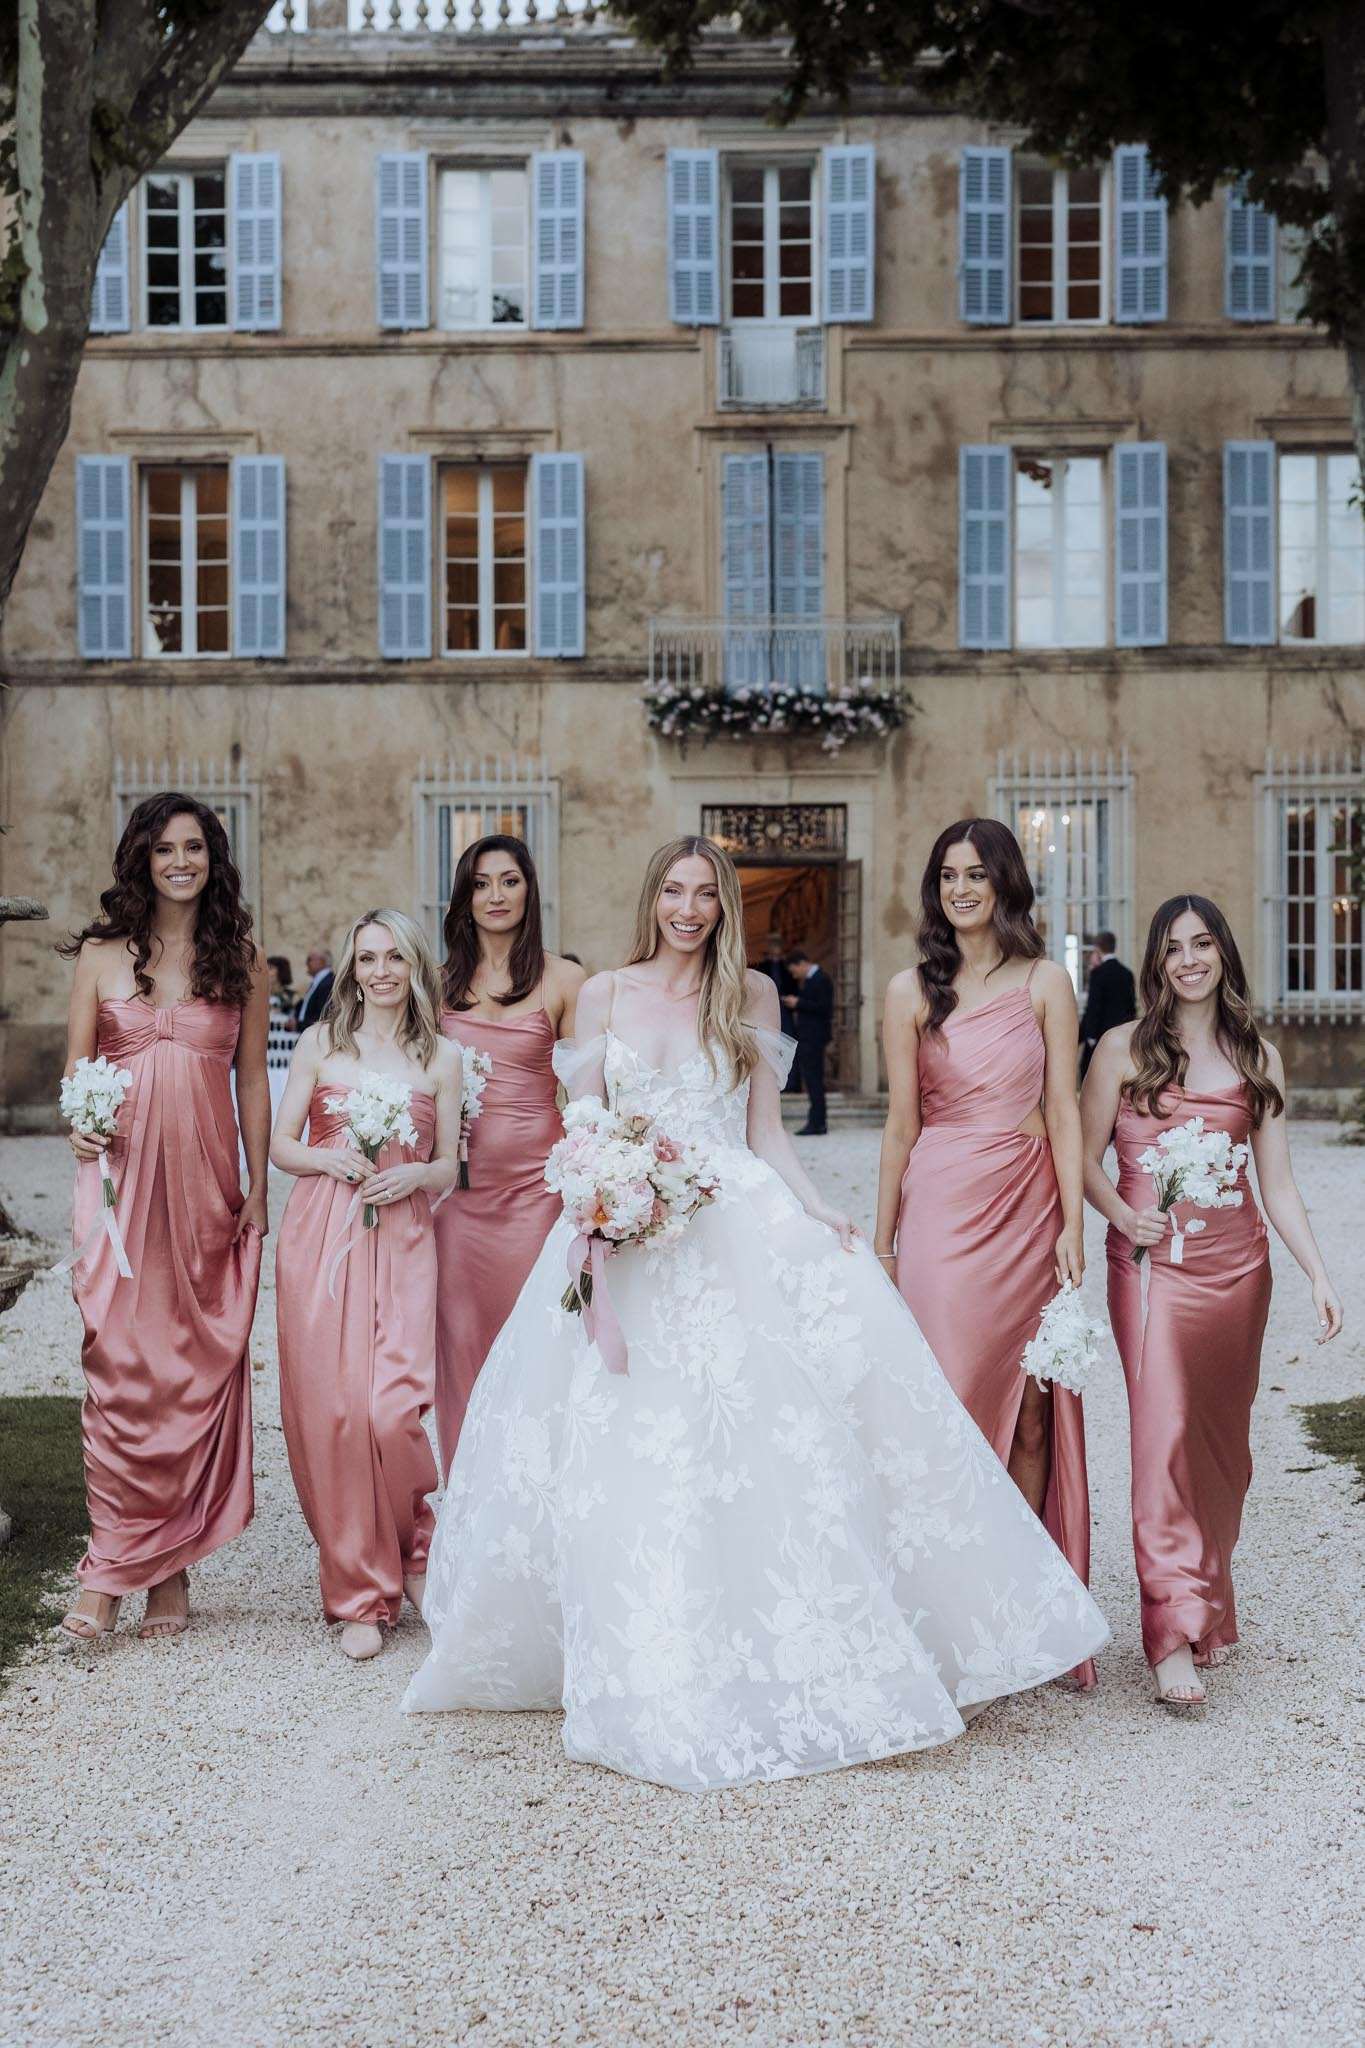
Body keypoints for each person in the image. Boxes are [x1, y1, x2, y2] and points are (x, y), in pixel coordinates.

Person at [403, 835, 1108, 1791]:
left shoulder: (753, 997)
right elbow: (586, 1128)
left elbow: (763, 1129)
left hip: (730, 1213)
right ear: (652, 898)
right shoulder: (602, 992)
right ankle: (642, 1640)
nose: (687, 910)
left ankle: (786, 1635)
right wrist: (600, 1196)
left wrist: (818, 1209)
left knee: (773, 1435)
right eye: (673, 893)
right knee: (632, 1440)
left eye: (704, 895)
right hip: (630, 1232)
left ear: (722, 905)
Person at [1081, 895, 1342, 1709]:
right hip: (1152, 1272)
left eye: (1201, 944)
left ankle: (1208, 1602)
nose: (1188, 959)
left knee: (1220, 1454)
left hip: (1238, 1275)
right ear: (1155, 963)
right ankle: (1169, 1635)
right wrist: (1125, 1215)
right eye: (1172, 948)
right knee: (1161, 1440)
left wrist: (1318, 1272)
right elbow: (1078, 1157)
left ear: (1222, 953)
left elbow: (1280, 1185)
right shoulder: (1122, 1048)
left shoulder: (1257, 1054)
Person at [874, 818, 1097, 1687]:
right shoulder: (907, 991)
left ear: (1005, 882)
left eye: (976, 874)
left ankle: (1023, 1609)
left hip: (1027, 1200)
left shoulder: (1046, 981)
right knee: (945, 1401)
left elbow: (1066, 1109)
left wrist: (1075, 1222)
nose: (961, 889)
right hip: (940, 1206)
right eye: (947, 875)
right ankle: (941, 1607)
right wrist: (886, 1241)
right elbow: (900, 1124)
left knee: (1034, 1407)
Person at [56, 793, 268, 1642]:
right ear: (140, 859)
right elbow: (77, 1073)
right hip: (120, 1188)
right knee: (120, 1368)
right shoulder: (103, 957)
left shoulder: (238, 958)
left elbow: (251, 1080)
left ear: (212, 859)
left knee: (187, 1369)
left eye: (195, 848)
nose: (181, 861)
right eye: (164, 849)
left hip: (208, 1184)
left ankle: (170, 1565)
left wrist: (256, 1187)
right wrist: (78, 1120)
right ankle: (111, 1567)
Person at [271, 910, 461, 1662]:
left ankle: (414, 1548)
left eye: (394, 958)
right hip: (324, 1236)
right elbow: (282, 1145)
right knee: (340, 1416)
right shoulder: (323, 1044)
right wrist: (328, 1160)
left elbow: (449, 1163)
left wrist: (417, 1172)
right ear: (350, 969)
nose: (380, 971)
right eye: (366, 958)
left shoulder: (442, 1056)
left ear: (416, 967)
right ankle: (360, 1593)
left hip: (407, 1235)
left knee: (392, 1412)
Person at [434, 836, 585, 1472]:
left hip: (537, 1194)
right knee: (462, 1344)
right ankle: (471, 1485)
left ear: (530, 892)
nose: (496, 895)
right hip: (459, 1198)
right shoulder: (437, 985)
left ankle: (539, 1481)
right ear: (465, 898)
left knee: (536, 1342)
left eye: (510, 881)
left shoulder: (566, 980)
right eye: (482, 883)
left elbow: (588, 1096)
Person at [783, 947, 834, 1134]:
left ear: (802, 964)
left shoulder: (822, 979)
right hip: (808, 1038)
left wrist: (798, 1003)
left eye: (794, 970)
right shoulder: (811, 980)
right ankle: (817, 1121)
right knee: (812, 1081)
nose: (794, 975)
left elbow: (824, 1008)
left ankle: (818, 1123)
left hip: (814, 1038)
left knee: (814, 1081)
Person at [1079, 930, 1136, 1078]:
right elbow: (1131, 1007)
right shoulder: (1127, 973)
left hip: (1100, 1036)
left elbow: (1094, 1007)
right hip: (1123, 1035)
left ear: (1097, 948)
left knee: (1092, 1075)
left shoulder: (1098, 973)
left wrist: (1090, 1036)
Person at [295, 947, 334, 1030]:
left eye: (309, 959)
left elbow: (323, 1016)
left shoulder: (328, 983)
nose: (306, 963)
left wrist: (299, 1025)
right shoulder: (319, 981)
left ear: (321, 961)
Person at [266, 954, 295, 1020]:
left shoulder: (293, 997)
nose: (266, 971)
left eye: (270, 968)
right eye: (265, 968)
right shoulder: (259, 994)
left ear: (281, 971)